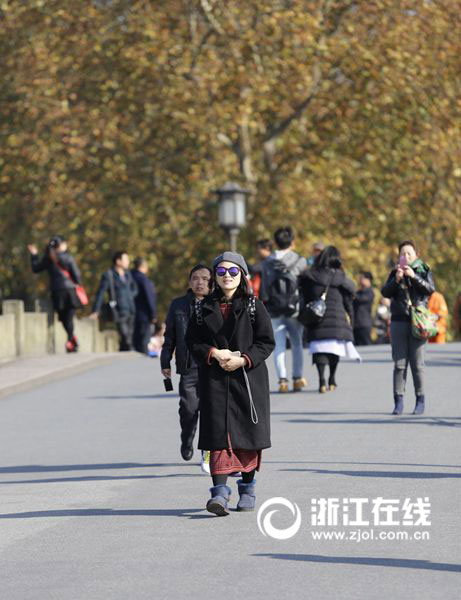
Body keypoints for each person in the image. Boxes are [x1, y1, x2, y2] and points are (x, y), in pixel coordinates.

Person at [186, 251, 275, 516]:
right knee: (218, 436)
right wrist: (212, 353)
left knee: (247, 436)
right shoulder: (202, 309)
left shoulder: (253, 305)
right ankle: (220, 493)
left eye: (233, 272)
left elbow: (266, 342)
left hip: (248, 379)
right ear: (215, 276)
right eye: (222, 272)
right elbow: (192, 341)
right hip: (215, 379)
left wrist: (244, 359)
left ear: (242, 275)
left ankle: (247, 488)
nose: (227, 277)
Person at [161, 264, 213, 470]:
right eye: (195, 278)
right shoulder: (178, 305)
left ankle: (207, 454)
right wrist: (165, 362)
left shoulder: (217, 304)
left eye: (204, 278)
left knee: (211, 413)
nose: (199, 282)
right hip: (188, 367)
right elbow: (169, 337)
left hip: (212, 367)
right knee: (189, 410)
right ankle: (187, 439)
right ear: (190, 281)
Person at [381, 240, 435, 415]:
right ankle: (398, 401)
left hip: (418, 321)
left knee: (417, 364)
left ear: (416, 255)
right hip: (398, 321)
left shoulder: (424, 270)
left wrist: (414, 276)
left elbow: (430, 289)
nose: (405, 257)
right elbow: (385, 292)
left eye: (408, 254)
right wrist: (396, 280)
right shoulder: (394, 273)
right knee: (399, 364)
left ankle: (420, 400)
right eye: (402, 254)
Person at [300, 246, 358, 393]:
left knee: (320, 351)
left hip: (317, 319)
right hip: (337, 320)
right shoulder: (341, 278)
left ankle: (322, 381)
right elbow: (349, 300)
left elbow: (304, 294)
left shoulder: (312, 276)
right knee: (333, 350)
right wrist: (351, 318)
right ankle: (332, 379)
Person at [260, 226, 308, 392]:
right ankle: (297, 378)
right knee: (296, 343)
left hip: (273, 308)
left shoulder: (267, 263)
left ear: (275, 242)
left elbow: (264, 288)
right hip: (294, 307)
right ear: (292, 242)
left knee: (278, 344)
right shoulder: (300, 260)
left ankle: (282, 380)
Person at [28, 235, 82, 352]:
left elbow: (36, 268)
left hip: (57, 292)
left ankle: (71, 340)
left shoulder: (49, 259)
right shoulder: (68, 258)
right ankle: (71, 339)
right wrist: (78, 284)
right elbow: (77, 276)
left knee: (63, 318)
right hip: (69, 291)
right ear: (61, 245)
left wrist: (34, 255)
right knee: (68, 317)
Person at [90, 251, 137, 351]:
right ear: (118, 261)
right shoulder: (109, 275)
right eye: (126, 259)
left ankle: (124, 356)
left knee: (129, 336)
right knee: (125, 337)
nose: (128, 262)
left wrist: (129, 296)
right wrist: (95, 310)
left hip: (131, 309)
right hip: (119, 310)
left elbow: (135, 289)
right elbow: (101, 293)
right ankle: (129, 351)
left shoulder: (128, 274)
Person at [131, 258, 157, 354]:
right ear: (144, 267)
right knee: (143, 342)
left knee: (134, 341)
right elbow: (149, 298)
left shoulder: (128, 277)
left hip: (130, 314)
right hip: (143, 315)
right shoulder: (144, 280)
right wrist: (153, 315)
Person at [353, 271, 375, 345]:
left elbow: (361, 299)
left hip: (364, 324)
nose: (360, 280)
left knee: (366, 348)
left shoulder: (370, 292)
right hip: (355, 324)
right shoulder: (358, 292)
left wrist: (353, 294)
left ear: (368, 280)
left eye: (362, 278)